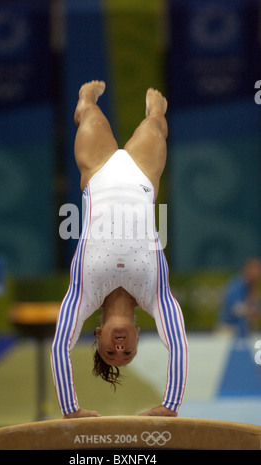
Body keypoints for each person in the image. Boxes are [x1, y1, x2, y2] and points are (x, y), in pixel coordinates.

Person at [51, 80, 189, 419]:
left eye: (111, 353)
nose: (120, 348)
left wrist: (71, 410)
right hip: (143, 176)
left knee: (90, 115)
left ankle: (84, 99)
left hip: (97, 172)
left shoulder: (84, 293)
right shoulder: (154, 295)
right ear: (140, 335)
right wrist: (170, 407)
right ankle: (155, 109)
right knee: (156, 123)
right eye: (128, 353)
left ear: (96, 334)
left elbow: (59, 347)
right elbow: (180, 346)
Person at [220, 258, 261, 338]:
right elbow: (235, 308)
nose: (258, 273)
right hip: (228, 330)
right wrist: (253, 310)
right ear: (248, 269)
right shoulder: (236, 285)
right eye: (256, 269)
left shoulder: (252, 286)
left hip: (243, 331)